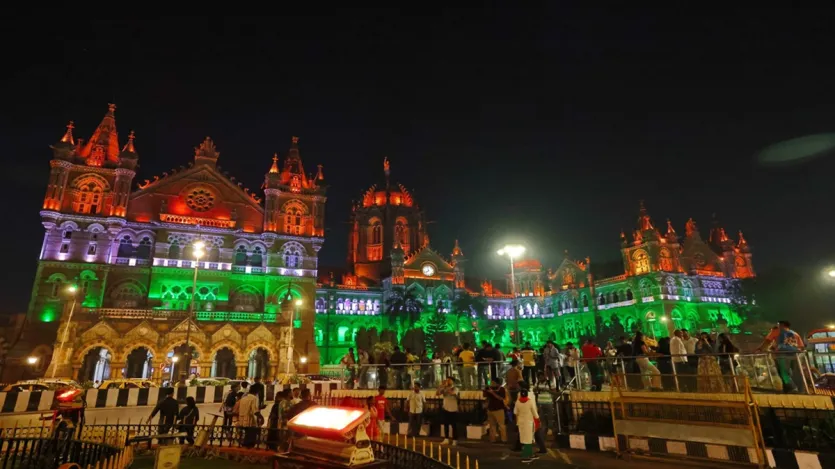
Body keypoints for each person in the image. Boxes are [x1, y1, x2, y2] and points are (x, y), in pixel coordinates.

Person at [759, 321, 804, 393]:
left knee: (783, 373)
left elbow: (767, 341)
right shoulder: (795, 334)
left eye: (778, 324)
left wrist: (760, 349)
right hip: (794, 355)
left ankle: (793, 388)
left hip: (782, 355)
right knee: (791, 373)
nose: (777, 326)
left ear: (782, 325)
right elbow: (801, 346)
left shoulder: (776, 331)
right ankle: (790, 389)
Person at [514, 388, 541, 463]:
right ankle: (525, 456)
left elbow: (515, 413)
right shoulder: (529, 402)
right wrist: (538, 420)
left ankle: (530, 454)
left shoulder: (517, 402)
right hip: (528, 423)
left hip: (520, 422)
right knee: (528, 440)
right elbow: (535, 413)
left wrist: (516, 423)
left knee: (523, 439)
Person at [483, 377, 507, 443]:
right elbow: (485, 396)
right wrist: (486, 390)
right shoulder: (490, 388)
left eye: (493, 383)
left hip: (499, 409)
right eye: (491, 382)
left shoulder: (502, 389)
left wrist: (492, 392)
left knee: (501, 425)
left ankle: (503, 439)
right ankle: (492, 439)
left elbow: (501, 398)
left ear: (498, 383)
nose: (492, 384)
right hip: (490, 409)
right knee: (492, 425)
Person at [436, 377, 459, 445]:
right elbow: (437, 393)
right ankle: (446, 438)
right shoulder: (444, 388)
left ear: (453, 382)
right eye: (447, 380)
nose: (448, 381)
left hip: (453, 409)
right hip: (445, 408)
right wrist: (441, 386)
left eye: (449, 380)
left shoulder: (455, 388)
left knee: (454, 425)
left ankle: (455, 439)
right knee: (446, 424)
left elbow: (453, 393)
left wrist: (446, 388)